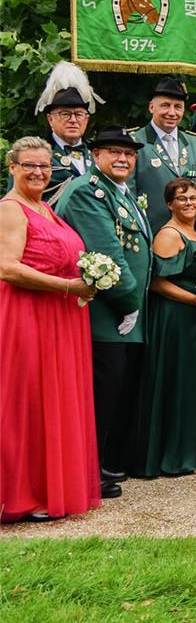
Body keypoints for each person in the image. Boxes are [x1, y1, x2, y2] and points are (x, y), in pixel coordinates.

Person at [0, 137, 100, 522]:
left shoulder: (44, 207)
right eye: (29, 165)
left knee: (50, 402)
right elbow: (7, 267)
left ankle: (48, 486)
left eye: (44, 165)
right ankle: (20, 494)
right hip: (27, 315)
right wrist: (67, 286)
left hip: (58, 318)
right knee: (26, 401)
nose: (38, 172)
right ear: (12, 167)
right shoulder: (11, 209)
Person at [55, 126, 152, 501]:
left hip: (123, 318)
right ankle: (87, 471)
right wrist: (129, 302)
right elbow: (106, 253)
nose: (122, 158)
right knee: (99, 396)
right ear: (95, 156)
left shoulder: (120, 192)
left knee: (115, 394)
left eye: (128, 153)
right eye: (114, 152)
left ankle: (105, 462)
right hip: (103, 316)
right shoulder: (89, 192)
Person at [132, 178, 196, 478]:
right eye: (181, 199)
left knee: (193, 381)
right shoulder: (169, 234)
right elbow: (157, 283)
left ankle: (191, 448)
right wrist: (195, 299)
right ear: (170, 204)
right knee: (176, 380)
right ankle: (171, 453)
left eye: (193, 198)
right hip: (175, 318)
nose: (189, 203)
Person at [131, 76, 196, 234]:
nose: (172, 113)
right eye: (165, 105)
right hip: (150, 234)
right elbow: (128, 193)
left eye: (178, 107)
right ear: (151, 107)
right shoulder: (135, 143)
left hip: (191, 237)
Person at [18, 61, 101, 205]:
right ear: (50, 119)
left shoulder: (98, 154)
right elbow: (17, 199)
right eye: (65, 114)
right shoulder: (33, 154)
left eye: (79, 114)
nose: (73, 120)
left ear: (86, 119)